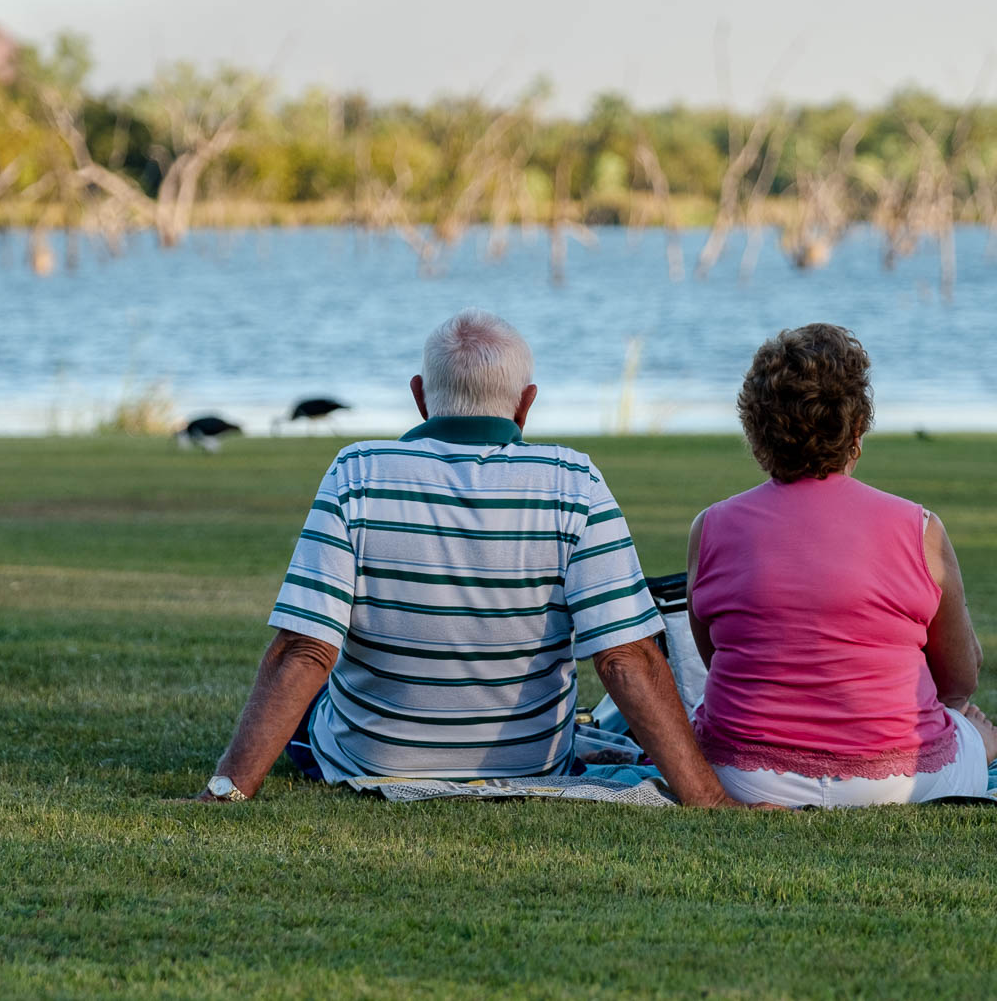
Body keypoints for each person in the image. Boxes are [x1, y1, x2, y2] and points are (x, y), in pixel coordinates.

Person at [196, 309, 739, 807]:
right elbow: (627, 659)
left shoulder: (356, 473)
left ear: (420, 397)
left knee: (311, 714)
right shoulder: (574, 483)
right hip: (532, 765)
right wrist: (708, 800)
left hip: (375, 764)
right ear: (526, 403)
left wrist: (229, 788)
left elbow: (305, 648)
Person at [686, 324, 997, 809]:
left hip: (743, 775)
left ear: (756, 433)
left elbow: (715, 657)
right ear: (857, 432)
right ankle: (980, 747)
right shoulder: (919, 529)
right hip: (900, 782)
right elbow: (959, 680)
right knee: (966, 723)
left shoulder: (710, 528)